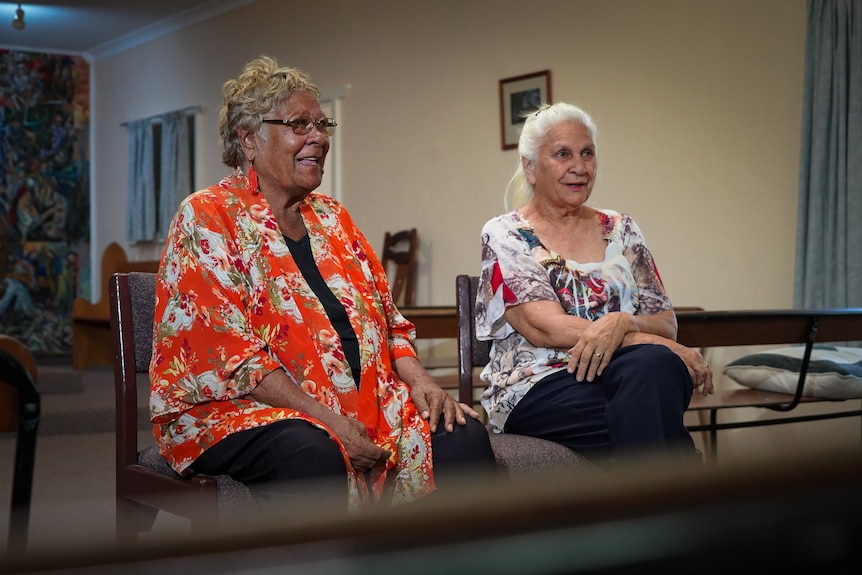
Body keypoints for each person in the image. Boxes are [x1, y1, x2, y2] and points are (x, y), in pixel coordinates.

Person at [149, 55, 495, 515]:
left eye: (321, 123)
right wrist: (331, 422)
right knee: (313, 452)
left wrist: (422, 382)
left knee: (462, 434)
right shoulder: (207, 217)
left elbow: (390, 323)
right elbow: (234, 360)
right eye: (298, 124)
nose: (318, 137)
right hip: (235, 411)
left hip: (362, 401)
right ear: (248, 140)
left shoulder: (334, 218)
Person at [476, 102, 713, 468]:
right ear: (530, 167)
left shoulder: (621, 228)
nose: (579, 167)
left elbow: (666, 321)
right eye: (562, 154)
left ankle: (651, 510)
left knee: (653, 368)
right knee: (656, 397)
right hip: (539, 384)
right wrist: (637, 333)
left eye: (587, 153)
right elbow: (546, 328)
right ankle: (682, 496)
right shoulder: (505, 233)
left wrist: (627, 323)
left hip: (625, 375)